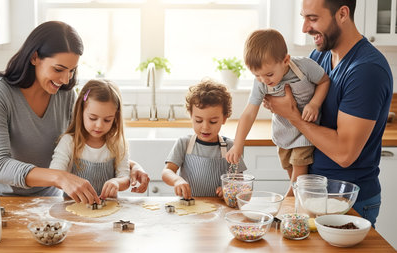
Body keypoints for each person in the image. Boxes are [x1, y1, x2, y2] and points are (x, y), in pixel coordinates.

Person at [0, 21, 149, 204]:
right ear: (34, 57)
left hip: (48, 199)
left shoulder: (66, 95)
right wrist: (59, 177)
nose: (65, 79)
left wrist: (130, 166)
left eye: (72, 70)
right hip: (1, 199)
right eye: (58, 69)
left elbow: (83, 142)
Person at [264, 0, 393, 226]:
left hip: (348, 202)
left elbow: (345, 154)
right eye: (304, 18)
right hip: (314, 197)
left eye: (313, 19)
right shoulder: (320, 57)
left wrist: (292, 115)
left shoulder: (366, 70)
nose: (305, 28)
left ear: (342, 14)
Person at [225, 29, 330, 196]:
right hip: (283, 132)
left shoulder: (304, 66)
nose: (264, 80)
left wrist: (314, 104)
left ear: (286, 60)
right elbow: (249, 113)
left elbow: (324, 81)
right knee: (290, 170)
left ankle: (286, 201)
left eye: (269, 74)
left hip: (306, 131)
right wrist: (238, 145)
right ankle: (296, 200)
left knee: (299, 168)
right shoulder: (261, 82)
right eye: (257, 76)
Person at [162, 79, 247, 199]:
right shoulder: (184, 143)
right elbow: (167, 172)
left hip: (219, 208)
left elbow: (238, 181)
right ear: (191, 115)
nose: (205, 127)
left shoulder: (230, 147)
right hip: (189, 207)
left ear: (224, 118)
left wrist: (229, 189)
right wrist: (177, 181)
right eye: (198, 120)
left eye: (213, 121)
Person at [49, 79, 130, 202]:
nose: (99, 125)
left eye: (107, 120)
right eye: (93, 118)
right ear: (81, 112)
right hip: (72, 208)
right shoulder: (69, 142)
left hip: (107, 209)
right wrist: (69, 182)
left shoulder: (117, 144)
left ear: (115, 117)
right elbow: (55, 174)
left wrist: (117, 182)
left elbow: (125, 177)